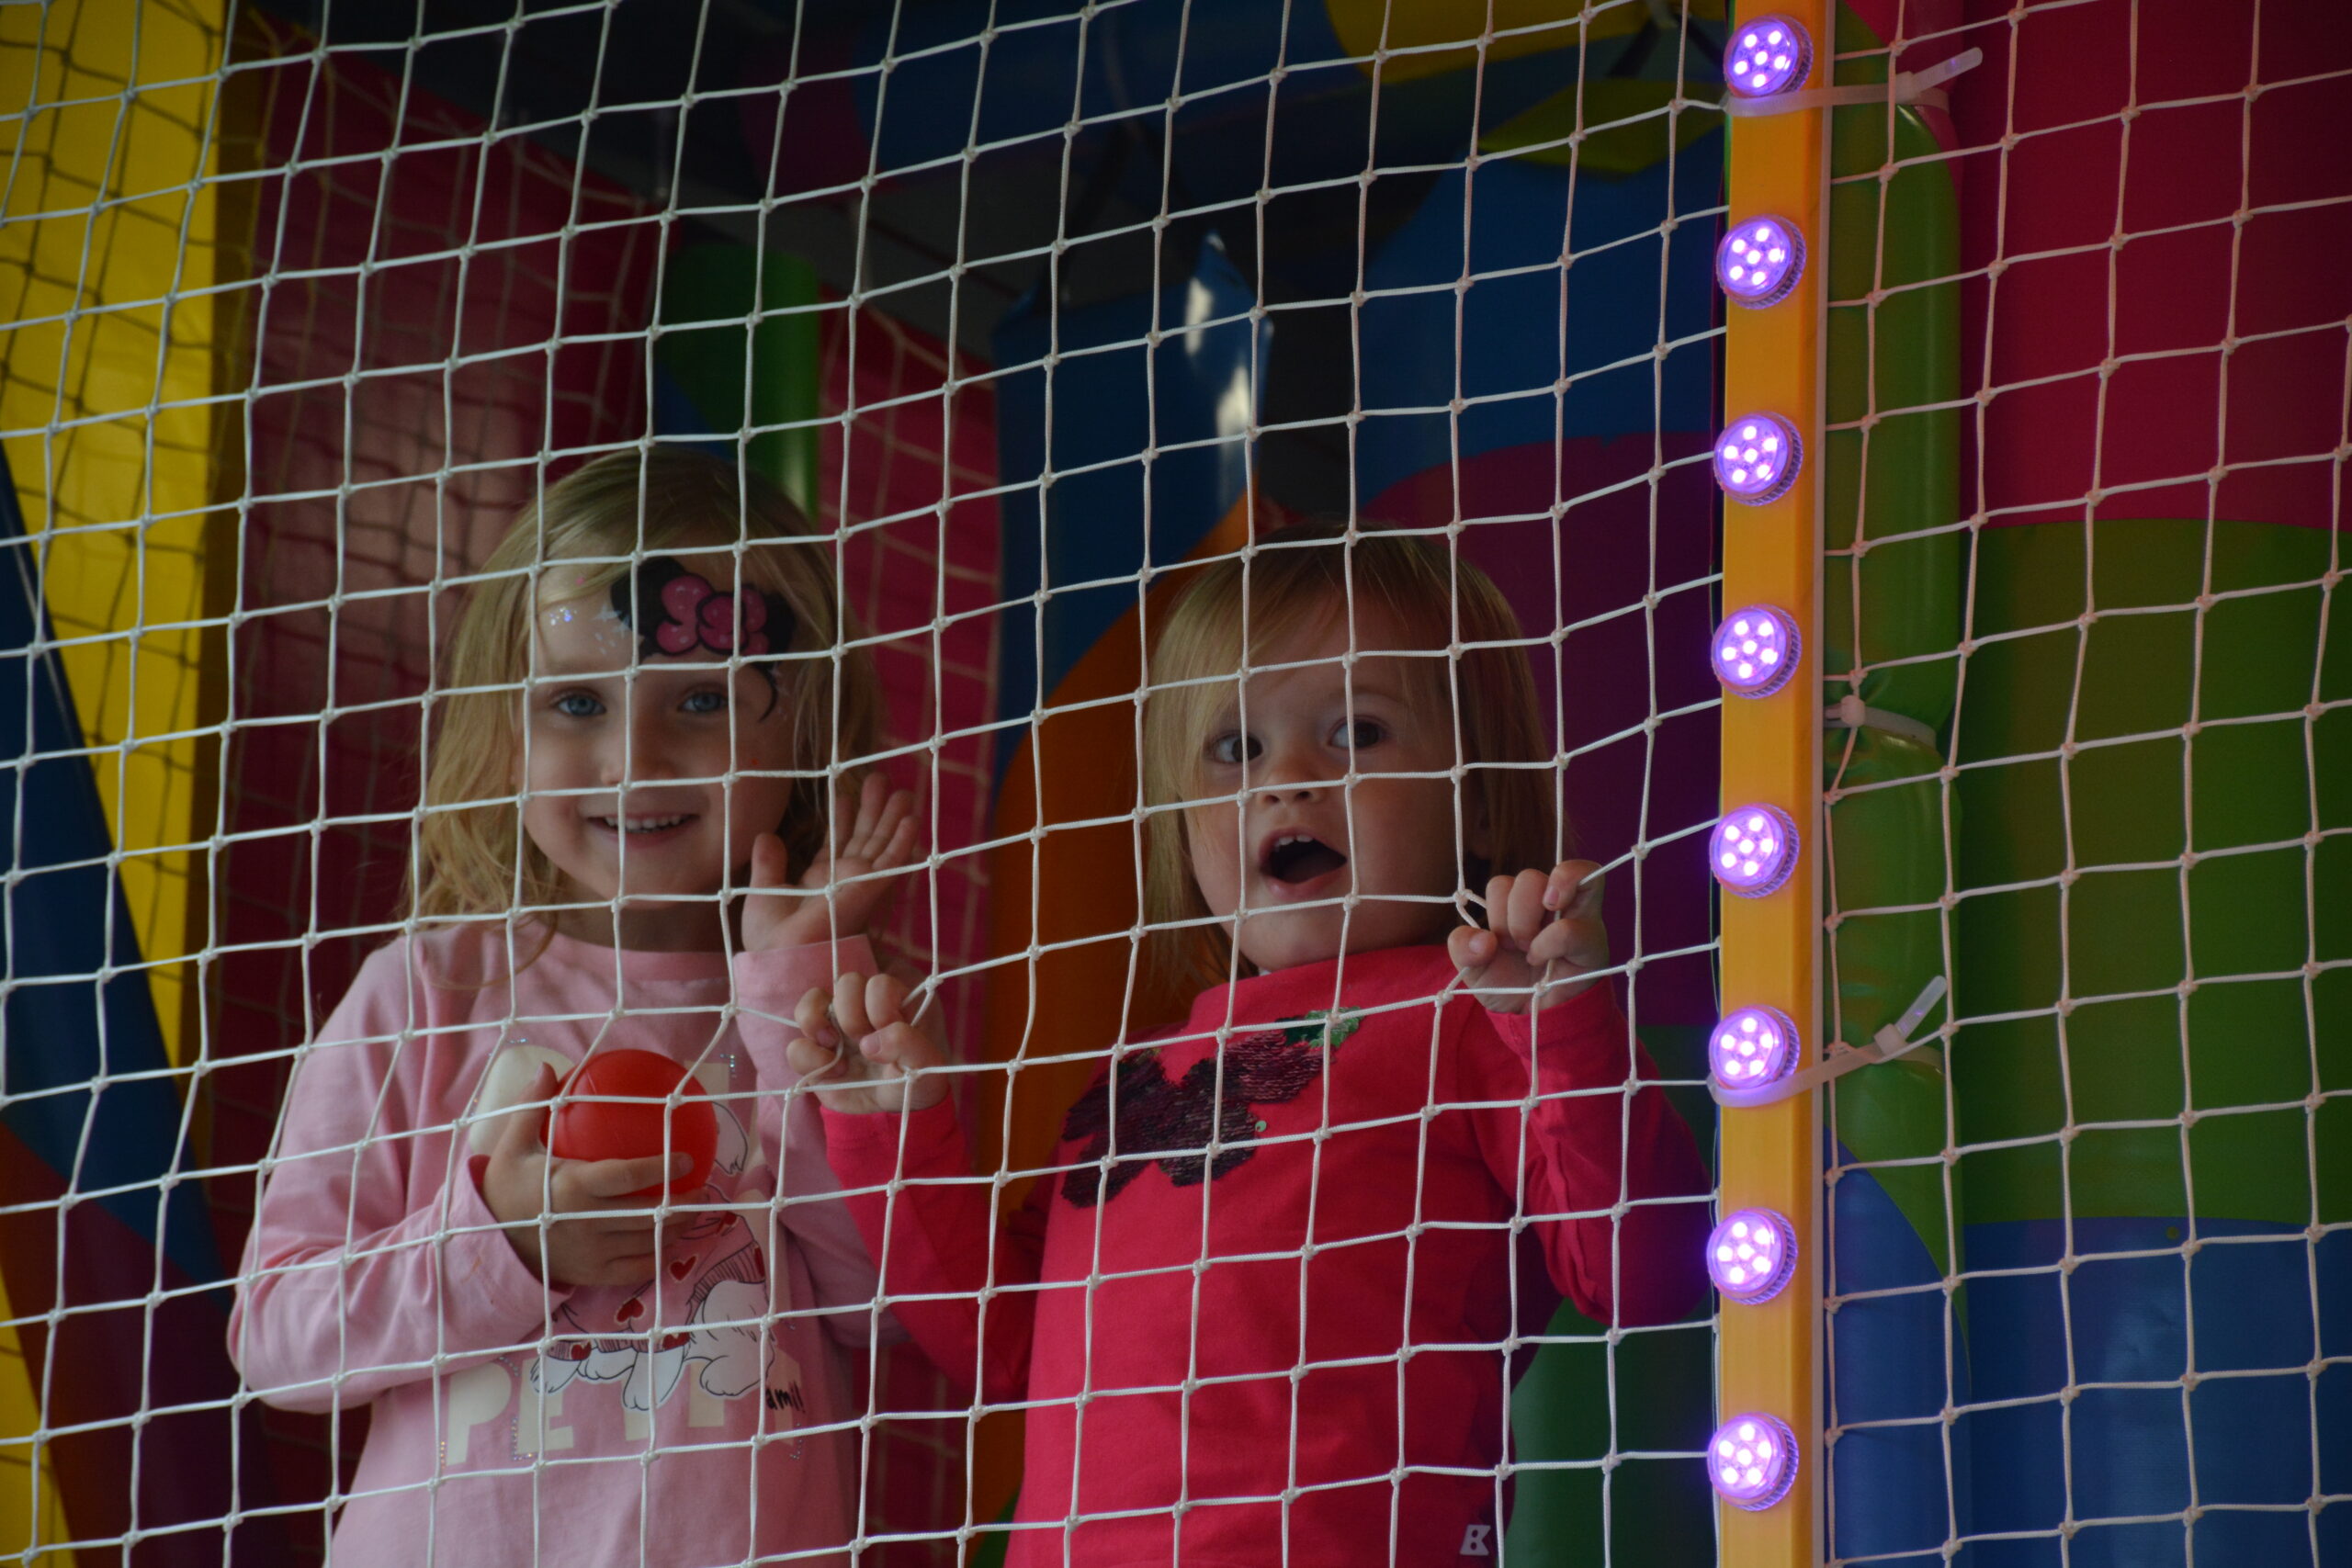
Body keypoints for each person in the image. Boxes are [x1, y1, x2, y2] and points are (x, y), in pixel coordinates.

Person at [790, 522, 1712, 1566]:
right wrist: (896, 1136)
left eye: (1358, 731)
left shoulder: (1477, 1013)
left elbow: (1642, 1274)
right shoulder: (1138, 1074)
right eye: (1237, 748)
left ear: (1482, 802)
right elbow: (1006, 1353)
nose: (1290, 779)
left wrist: (1562, 1026)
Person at [231, 447, 915, 1567]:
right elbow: (276, 1339)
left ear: (810, 735)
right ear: (505, 732)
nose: (632, 757)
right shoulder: (429, 990)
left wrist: (789, 993)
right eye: (576, 703)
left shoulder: (842, 1001)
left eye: (702, 700)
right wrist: (507, 1243)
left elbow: (882, 1307)